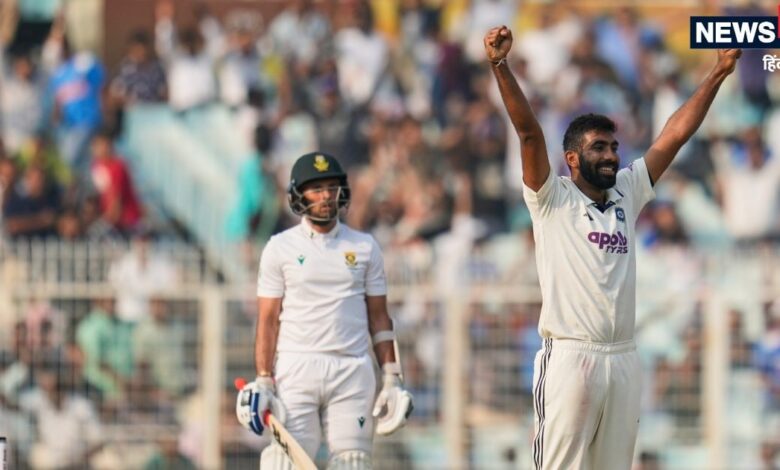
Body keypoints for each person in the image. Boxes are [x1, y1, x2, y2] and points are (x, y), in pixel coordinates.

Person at [483, 25, 740, 470]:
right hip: (570, 357)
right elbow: (528, 134)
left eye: (614, 147)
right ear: (572, 160)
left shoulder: (627, 191)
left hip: (623, 357)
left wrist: (717, 72)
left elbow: (673, 136)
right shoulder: (552, 198)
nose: (611, 155)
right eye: (598, 148)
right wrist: (500, 65)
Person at [236, 152, 413, 469]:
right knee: (282, 462)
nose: (325, 196)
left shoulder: (364, 246)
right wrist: (263, 379)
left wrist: (392, 377)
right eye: (316, 189)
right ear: (298, 194)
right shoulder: (280, 247)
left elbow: (380, 317)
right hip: (296, 367)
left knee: (353, 463)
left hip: (351, 369)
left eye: (331, 188)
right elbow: (267, 320)